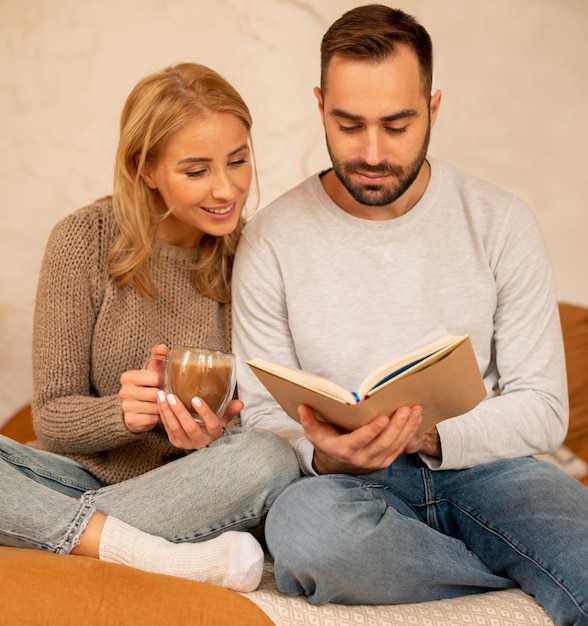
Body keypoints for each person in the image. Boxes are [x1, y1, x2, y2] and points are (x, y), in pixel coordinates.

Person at [231, 5, 588, 623]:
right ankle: (504, 578)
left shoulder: (499, 221)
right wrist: (329, 454)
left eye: (397, 125)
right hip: (344, 489)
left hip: (489, 471)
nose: (372, 152)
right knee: (306, 534)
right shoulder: (270, 238)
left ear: (434, 107)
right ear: (320, 107)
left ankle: (511, 562)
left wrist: (425, 434)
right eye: (349, 125)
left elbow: (545, 407)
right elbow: (262, 415)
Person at [0, 62, 299, 593]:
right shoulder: (82, 240)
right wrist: (120, 414)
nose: (226, 188)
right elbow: (50, 418)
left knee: (267, 459)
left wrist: (208, 440)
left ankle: (48, 528)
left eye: (238, 160)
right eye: (196, 170)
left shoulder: (254, 255)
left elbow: (260, 421)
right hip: (79, 476)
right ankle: (141, 551)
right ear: (146, 168)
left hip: (191, 486)